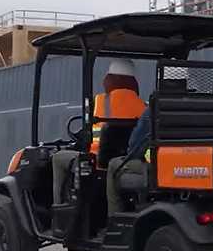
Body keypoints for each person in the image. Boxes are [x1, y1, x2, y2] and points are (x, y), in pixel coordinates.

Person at [52, 59, 145, 206]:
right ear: (134, 83)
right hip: (128, 162)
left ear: (111, 80)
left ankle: (57, 208)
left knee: (58, 158)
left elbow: (86, 134)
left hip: (96, 162)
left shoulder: (99, 102)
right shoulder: (144, 107)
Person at [105, 77, 189, 217]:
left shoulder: (154, 109)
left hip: (156, 168)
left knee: (114, 165)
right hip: (189, 166)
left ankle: (113, 218)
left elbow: (134, 146)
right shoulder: (193, 105)